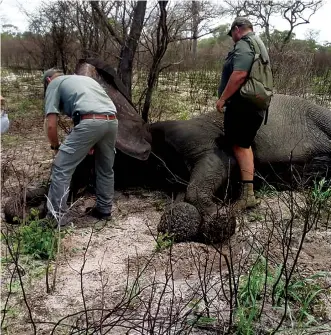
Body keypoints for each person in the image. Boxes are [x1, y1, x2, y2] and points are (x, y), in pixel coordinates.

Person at [43, 68, 118, 225]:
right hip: (112, 121)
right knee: (105, 168)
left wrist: (56, 146)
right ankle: (104, 210)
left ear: (48, 80)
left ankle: (57, 218)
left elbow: (50, 125)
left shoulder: (54, 84)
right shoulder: (85, 79)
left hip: (90, 122)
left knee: (61, 167)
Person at [216, 17, 271, 211]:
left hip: (243, 105)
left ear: (238, 29)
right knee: (241, 145)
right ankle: (243, 189)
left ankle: (248, 195)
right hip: (253, 103)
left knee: (241, 146)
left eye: (232, 34)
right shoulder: (259, 43)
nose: (232, 38)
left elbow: (239, 75)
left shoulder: (244, 44)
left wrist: (222, 99)